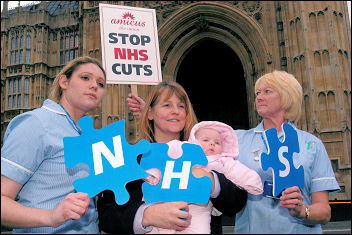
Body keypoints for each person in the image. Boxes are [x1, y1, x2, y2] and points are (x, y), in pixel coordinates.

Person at [97, 81, 248, 234]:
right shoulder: (128, 159)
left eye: (181, 106)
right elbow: (106, 214)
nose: (176, 111)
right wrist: (147, 215)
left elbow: (237, 200)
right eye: (167, 105)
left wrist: (212, 181)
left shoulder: (206, 154)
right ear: (149, 113)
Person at [1, 56, 106, 233]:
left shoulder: (88, 135)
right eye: (85, 77)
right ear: (64, 82)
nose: (95, 85)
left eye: (101, 84)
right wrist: (51, 217)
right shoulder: (36, 124)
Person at [234, 70, 340, 233]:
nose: (259, 97)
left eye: (267, 91)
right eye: (257, 93)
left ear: (287, 97)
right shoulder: (237, 140)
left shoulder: (311, 144)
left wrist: (301, 211)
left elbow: (324, 212)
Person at [143, 121, 263, 233]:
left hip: (199, 206)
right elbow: (164, 159)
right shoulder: (183, 148)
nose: (212, 143)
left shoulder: (222, 161)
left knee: (200, 228)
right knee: (160, 228)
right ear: (194, 140)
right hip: (166, 201)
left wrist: (254, 183)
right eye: (206, 140)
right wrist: (152, 176)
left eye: (217, 142)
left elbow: (240, 171)